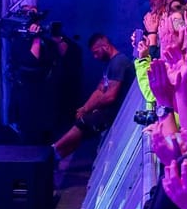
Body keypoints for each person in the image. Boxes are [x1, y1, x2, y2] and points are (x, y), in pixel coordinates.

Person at [52, 32, 135, 160]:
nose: (95, 57)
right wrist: (85, 108)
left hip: (117, 112)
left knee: (82, 123)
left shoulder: (119, 62)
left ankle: (53, 149)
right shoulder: (110, 64)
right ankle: (55, 159)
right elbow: (99, 91)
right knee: (82, 124)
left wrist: (89, 110)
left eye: (96, 52)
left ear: (105, 46)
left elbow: (110, 96)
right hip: (108, 110)